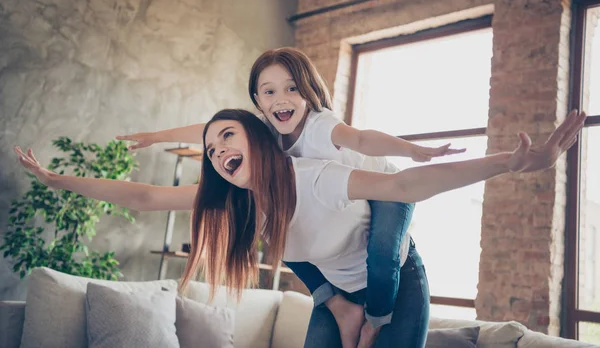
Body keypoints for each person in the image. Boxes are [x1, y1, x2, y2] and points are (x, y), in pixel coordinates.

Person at [15, 108, 586, 348]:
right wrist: (58, 180)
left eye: (228, 140)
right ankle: (347, 310)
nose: (217, 154)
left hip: (395, 277)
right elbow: (141, 195)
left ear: (258, 138)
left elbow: (407, 187)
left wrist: (508, 164)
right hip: (336, 291)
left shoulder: (313, 174)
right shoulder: (235, 203)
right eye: (210, 150)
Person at [115, 47, 466, 348]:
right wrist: (157, 136)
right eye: (268, 92)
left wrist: (412, 151)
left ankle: (375, 319)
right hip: (343, 204)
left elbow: (361, 140)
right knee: (285, 234)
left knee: (382, 250)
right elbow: (206, 130)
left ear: (308, 91)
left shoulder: (320, 124)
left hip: (385, 187)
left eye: (291, 88)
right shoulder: (265, 132)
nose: (280, 98)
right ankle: (340, 306)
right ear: (257, 101)